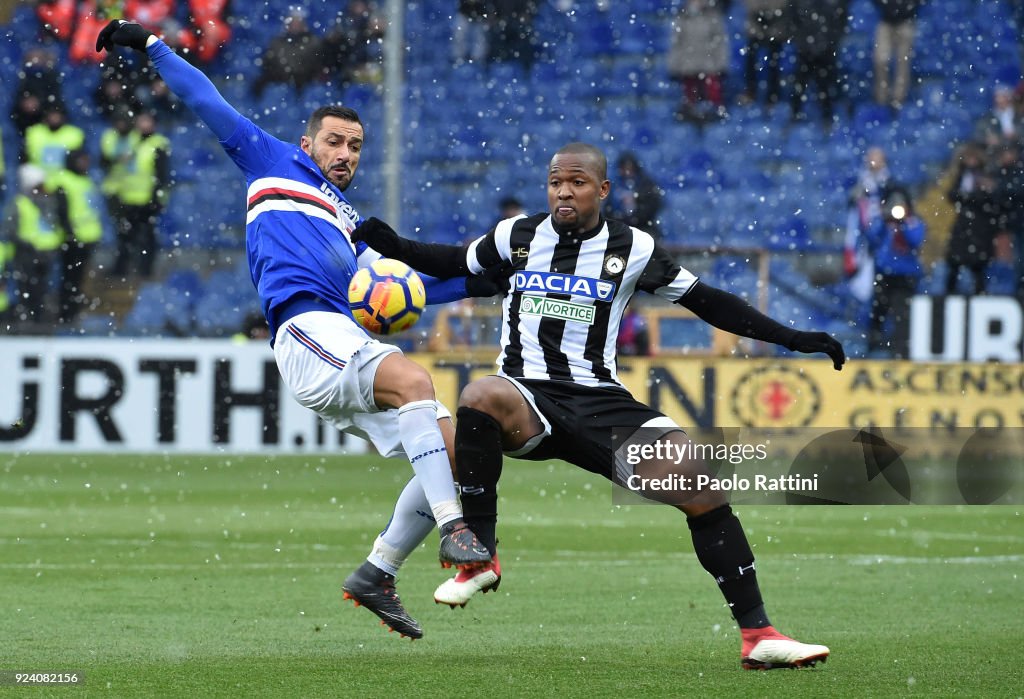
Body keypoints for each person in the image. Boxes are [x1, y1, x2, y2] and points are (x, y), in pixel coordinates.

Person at [353, 142, 845, 669]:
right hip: (526, 397)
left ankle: (759, 635)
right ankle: (480, 555)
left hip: (600, 400)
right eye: (555, 181)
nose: (564, 191)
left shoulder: (633, 248)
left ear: (602, 190)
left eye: (577, 182)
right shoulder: (517, 235)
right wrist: (394, 245)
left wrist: (791, 337)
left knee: (699, 485)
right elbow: (452, 260)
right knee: (480, 394)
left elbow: (707, 300)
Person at [96, 18, 501, 639]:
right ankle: (456, 530)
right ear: (308, 143)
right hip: (304, 328)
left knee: (449, 451)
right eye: (334, 142)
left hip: (343, 337)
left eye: (355, 146)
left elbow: (418, 287)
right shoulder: (270, 159)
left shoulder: (351, 224)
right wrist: (150, 46)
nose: (345, 155)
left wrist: (492, 279)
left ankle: (377, 572)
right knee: (414, 380)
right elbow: (205, 98)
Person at [864, 184, 925, 357]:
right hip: (884, 273)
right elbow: (872, 237)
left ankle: (901, 351)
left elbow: (916, 241)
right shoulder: (882, 221)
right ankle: (872, 347)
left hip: (906, 276)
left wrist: (903, 223)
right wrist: (885, 221)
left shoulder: (914, 222)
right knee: (878, 311)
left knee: (902, 316)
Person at [111, 111, 171, 278]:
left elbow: (162, 173)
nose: (143, 124)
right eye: (141, 120)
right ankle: (121, 270)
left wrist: (156, 197)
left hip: (147, 199)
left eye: (147, 121)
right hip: (127, 197)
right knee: (124, 236)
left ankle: (145, 270)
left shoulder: (158, 143)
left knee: (147, 237)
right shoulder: (130, 140)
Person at [52, 148, 105, 325]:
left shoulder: (86, 180)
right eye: (81, 160)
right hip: (73, 238)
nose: (84, 164)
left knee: (79, 278)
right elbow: (62, 210)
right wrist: (70, 234)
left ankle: (73, 313)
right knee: (70, 278)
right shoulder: (64, 181)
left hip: (87, 237)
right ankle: (66, 314)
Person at [667, 0, 729, 123]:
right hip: (688, 63)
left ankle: (713, 113)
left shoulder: (713, 16)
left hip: (709, 63)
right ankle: (691, 112)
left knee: (713, 90)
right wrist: (674, 65)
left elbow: (720, 43)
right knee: (690, 91)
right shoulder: (682, 17)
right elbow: (676, 43)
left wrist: (721, 63)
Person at [253, 7, 325, 97]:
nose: (295, 26)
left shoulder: (314, 42)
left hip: (303, 80)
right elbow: (268, 63)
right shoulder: (276, 42)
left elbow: (316, 64)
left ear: (304, 24)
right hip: (279, 78)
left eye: (298, 23)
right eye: (293, 23)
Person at [871, 0, 922, 110]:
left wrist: (909, 8)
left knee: (903, 62)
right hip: (886, 21)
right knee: (880, 60)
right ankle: (882, 99)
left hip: (906, 22)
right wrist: (886, 7)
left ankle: (898, 100)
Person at [603, 151, 663, 236]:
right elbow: (608, 211)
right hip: (620, 227)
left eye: (630, 169)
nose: (627, 172)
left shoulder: (646, 184)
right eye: (624, 169)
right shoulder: (614, 185)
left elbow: (654, 205)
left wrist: (636, 199)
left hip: (644, 226)